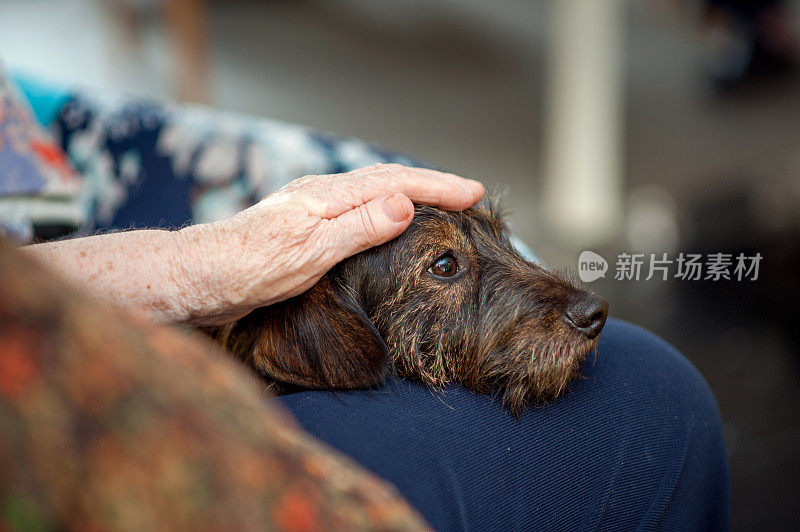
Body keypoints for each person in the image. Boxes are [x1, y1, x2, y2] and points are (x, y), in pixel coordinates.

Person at [16, 164, 729, 530]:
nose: (573, 301)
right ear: (333, 340)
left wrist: (191, 267)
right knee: (660, 402)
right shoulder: (312, 335)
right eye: (446, 268)